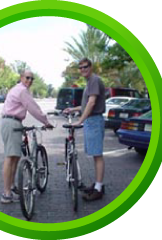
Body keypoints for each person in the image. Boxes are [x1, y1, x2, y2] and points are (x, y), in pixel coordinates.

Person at [0, 70, 53, 203]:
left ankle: (11, 187)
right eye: (27, 78)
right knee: (10, 157)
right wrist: (46, 122)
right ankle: (6, 194)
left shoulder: (17, 89)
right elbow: (33, 108)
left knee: (15, 157)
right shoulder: (22, 90)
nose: (29, 80)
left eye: (32, 79)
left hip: (13, 122)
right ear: (21, 77)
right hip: (11, 123)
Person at [63, 58, 106, 201]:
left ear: (91, 67)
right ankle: (97, 185)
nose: (83, 69)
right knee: (95, 154)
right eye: (80, 67)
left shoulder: (94, 80)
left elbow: (92, 103)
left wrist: (79, 121)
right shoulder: (89, 83)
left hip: (93, 121)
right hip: (91, 120)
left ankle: (98, 189)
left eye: (85, 66)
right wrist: (73, 109)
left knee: (97, 155)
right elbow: (86, 105)